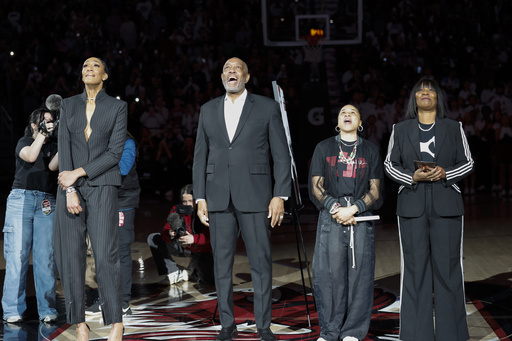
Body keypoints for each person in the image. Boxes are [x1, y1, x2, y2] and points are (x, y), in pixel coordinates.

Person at [192, 57, 291, 341]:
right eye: (226, 68)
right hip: (217, 198)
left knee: (261, 263)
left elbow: (282, 157)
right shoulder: (207, 109)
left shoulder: (267, 107)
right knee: (221, 265)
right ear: (222, 77)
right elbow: (200, 158)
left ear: (246, 77)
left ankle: (263, 326)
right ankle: (227, 326)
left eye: (237, 69)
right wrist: (200, 197)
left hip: (257, 197)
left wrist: (279, 195)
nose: (231, 72)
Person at [384, 77, 473, 341]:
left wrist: (445, 173)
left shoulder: (454, 127)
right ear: (414, 99)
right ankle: (415, 335)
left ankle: (452, 335)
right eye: (420, 90)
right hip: (411, 208)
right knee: (414, 271)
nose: (425, 93)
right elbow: (390, 165)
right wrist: (412, 177)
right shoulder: (399, 129)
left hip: (447, 207)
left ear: (437, 99)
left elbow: (467, 163)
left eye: (430, 90)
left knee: (448, 270)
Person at [53, 57, 127, 341]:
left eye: (95, 66)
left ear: (105, 75)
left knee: (106, 256)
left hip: (103, 185)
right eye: (84, 66)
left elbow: (114, 153)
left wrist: (78, 174)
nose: (88, 69)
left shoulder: (118, 107)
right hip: (70, 190)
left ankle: (116, 323)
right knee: (71, 257)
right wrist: (70, 188)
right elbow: (64, 147)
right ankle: (79, 323)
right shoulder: (69, 105)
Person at [309, 105, 384, 341]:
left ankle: (353, 331)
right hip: (330, 217)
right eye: (342, 112)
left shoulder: (370, 150)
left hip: (360, 217)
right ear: (337, 121)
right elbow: (315, 186)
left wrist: (354, 208)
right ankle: (330, 331)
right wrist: (335, 207)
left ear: (360, 121)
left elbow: (376, 190)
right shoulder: (324, 147)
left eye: (352, 112)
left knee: (359, 275)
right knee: (329, 275)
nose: (347, 115)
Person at [2, 108, 59, 324]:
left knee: (46, 258)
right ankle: (12, 309)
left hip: (46, 201)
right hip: (21, 200)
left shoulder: (53, 145)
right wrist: (43, 135)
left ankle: (47, 308)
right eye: (44, 121)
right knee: (17, 256)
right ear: (34, 125)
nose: (49, 124)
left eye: (51, 122)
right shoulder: (23, 141)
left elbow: (54, 166)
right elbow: (31, 155)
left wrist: (65, 139)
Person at [86, 132, 140, 316]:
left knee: (121, 250)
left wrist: (92, 167)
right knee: (102, 251)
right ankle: (104, 297)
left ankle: (122, 301)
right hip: (101, 200)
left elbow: (123, 169)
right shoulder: (97, 140)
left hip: (123, 201)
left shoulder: (127, 142)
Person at [147, 184, 214, 286]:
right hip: (182, 246)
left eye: (190, 201)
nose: (187, 204)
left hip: (201, 248)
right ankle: (172, 272)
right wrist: (169, 234)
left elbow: (212, 237)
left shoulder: (204, 211)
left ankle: (195, 268)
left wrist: (194, 239)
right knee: (154, 238)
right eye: (184, 201)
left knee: (210, 281)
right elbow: (166, 230)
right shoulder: (176, 209)